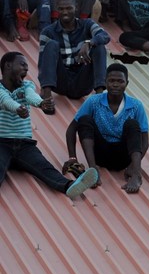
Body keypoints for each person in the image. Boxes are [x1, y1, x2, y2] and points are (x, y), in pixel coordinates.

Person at [0, 51, 97, 197]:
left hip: (24, 145)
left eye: (27, 66)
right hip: (2, 143)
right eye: (22, 65)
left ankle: (69, 186)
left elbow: (31, 96)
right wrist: (18, 108)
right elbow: (5, 100)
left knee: (44, 167)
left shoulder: (27, 85)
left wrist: (41, 103)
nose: (26, 69)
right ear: (8, 65)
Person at [64, 63, 149, 193]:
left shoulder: (136, 106)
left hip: (123, 157)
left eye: (120, 81)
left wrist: (133, 166)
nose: (115, 84)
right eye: (111, 81)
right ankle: (93, 170)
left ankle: (136, 176)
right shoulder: (94, 101)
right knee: (84, 119)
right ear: (105, 82)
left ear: (127, 83)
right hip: (100, 155)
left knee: (132, 124)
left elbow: (145, 142)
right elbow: (71, 129)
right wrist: (72, 158)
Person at [38, 0, 109, 103]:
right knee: (51, 44)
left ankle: (100, 97)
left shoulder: (87, 24)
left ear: (76, 7)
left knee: (99, 47)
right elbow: (42, 63)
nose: (65, 12)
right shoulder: (47, 32)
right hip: (60, 82)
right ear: (57, 9)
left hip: (83, 81)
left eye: (69, 8)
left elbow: (105, 36)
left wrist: (89, 43)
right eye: (61, 9)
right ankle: (47, 97)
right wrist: (44, 85)